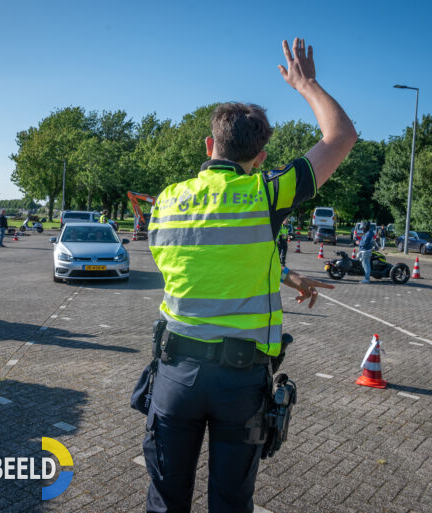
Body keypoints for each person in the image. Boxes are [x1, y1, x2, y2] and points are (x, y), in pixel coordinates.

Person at [142, 38, 357, 513]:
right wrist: (307, 83)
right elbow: (340, 136)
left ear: (209, 144)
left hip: (175, 371)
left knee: (165, 500)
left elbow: (210, 256)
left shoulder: (169, 200)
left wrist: (284, 274)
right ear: (260, 156)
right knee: (231, 501)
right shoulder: (267, 193)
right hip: (239, 382)